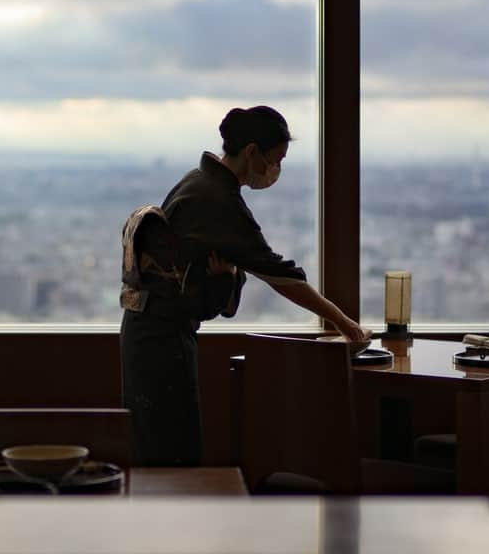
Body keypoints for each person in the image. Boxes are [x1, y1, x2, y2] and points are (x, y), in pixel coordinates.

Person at [119, 104, 369, 466]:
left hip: (146, 332)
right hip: (162, 338)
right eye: (275, 160)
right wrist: (345, 323)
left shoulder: (197, 181)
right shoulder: (219, 200)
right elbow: (281, 275)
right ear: (252, 152)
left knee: (157, 448)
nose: (276, 170)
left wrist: (229, 275)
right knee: (170, 454)